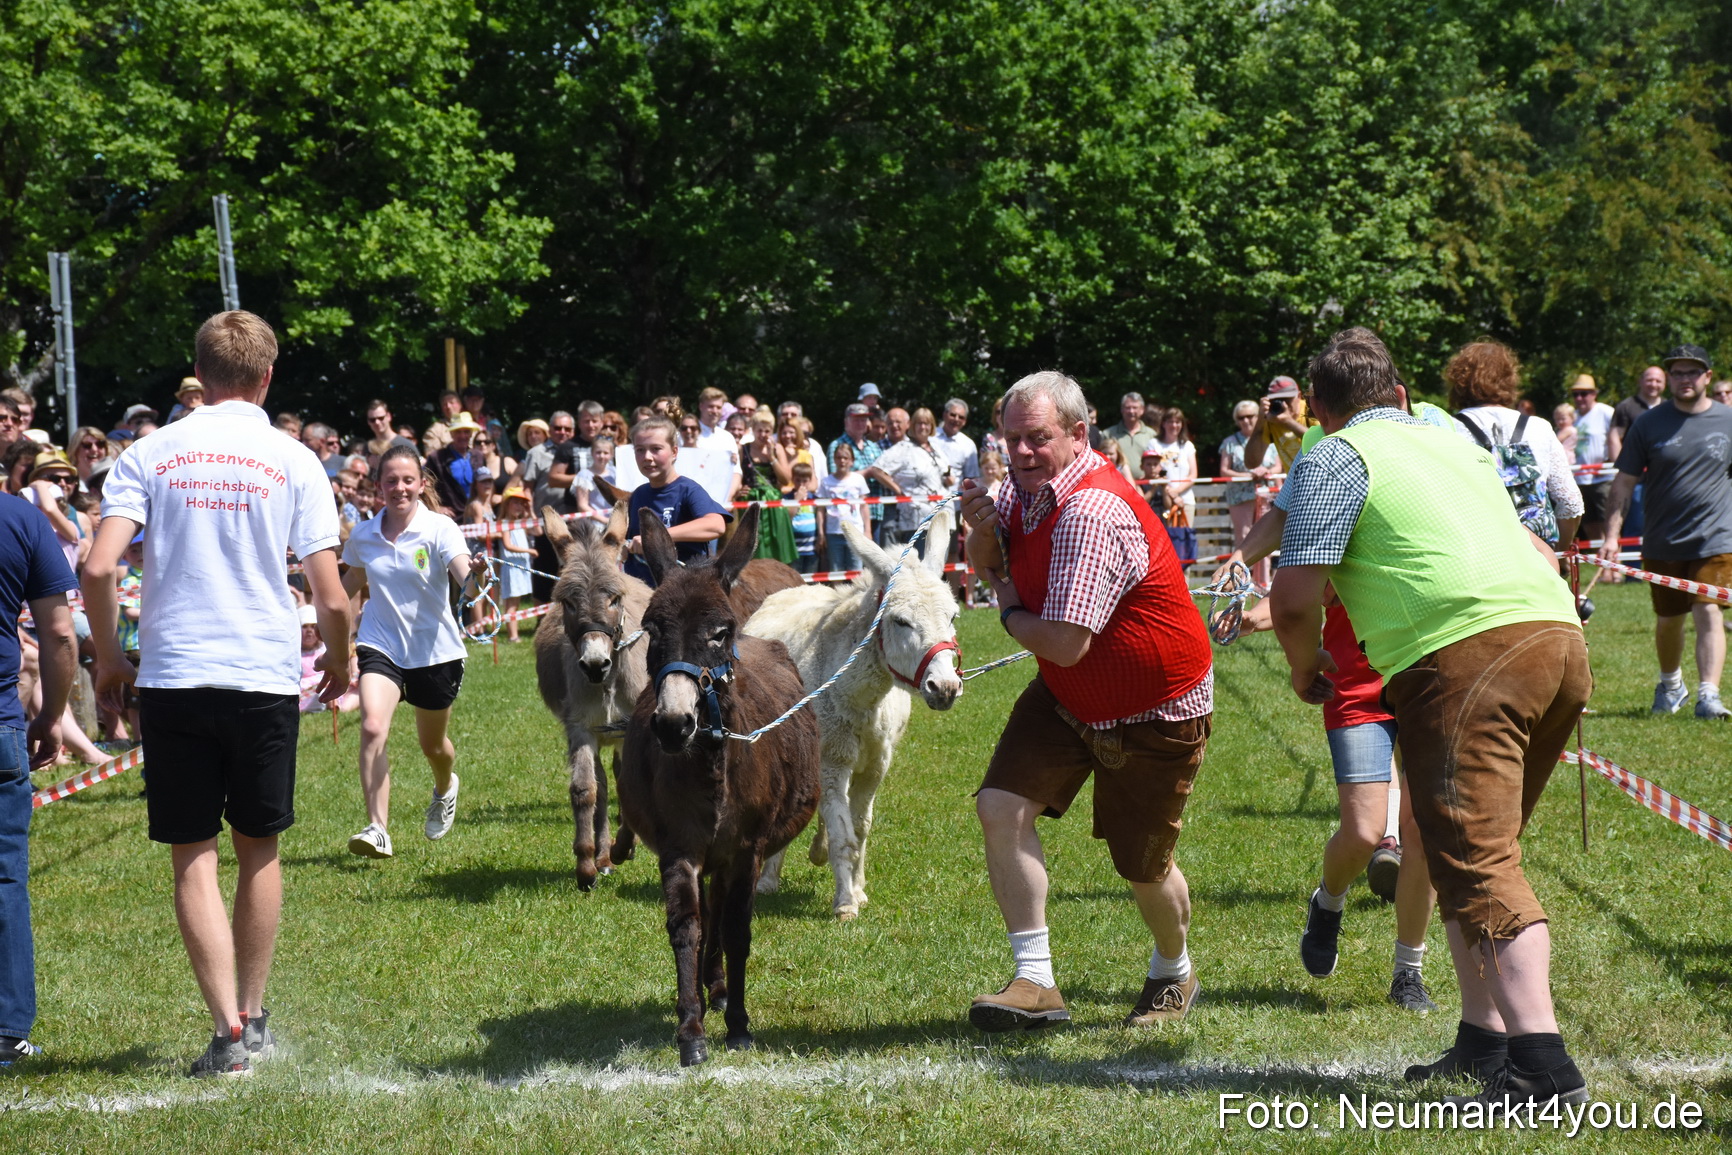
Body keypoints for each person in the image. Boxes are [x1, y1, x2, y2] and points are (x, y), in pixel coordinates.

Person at [1270, 326, 1590, 1106]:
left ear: (1322, 411)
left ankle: (1543, 1067)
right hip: (1558, 640)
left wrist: (1306, 666)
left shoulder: (1335, 456)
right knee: (1463, 849)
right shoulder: (1458, 445)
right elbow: (1543, 545)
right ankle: (1483, 1040)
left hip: (1464, 657)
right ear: (1404, 395)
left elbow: (1293, 596)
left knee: (1482, 862)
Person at [83, 309, 352, 1078]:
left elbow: (99, 570)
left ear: (197, 372)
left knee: (192, 854)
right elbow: (331, 597)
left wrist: (109, 660)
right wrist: (336, 659)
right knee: (258, 846)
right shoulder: (295, 459)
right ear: (267, 377)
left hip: (173, 671)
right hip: (263, 673)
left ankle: (226, 1031)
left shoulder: (151, 452)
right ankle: (256, 1014)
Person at [958, 370, 1214, 1033]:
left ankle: (1172, 967)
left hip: (1157, 709)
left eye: (1035, 438)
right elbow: (990, 557)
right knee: (1000, 805)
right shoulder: (1028, 489)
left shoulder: (1090, 509)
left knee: (1143, 866)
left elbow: (1065, 640)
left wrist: (1008, 609)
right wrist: (980, 526)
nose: (1019, 452)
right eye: (1010, 438)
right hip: (1071, 695)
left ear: (1077, 433)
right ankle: (1036, 981)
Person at [341, 445, 480, 858]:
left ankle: (444, 785)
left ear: (421, 483)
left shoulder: (440, 528)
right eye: (390, 481)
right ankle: (377, 828)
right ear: (378, 485)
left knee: (433, 746)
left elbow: (466, 582)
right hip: (380, 645)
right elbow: (346, 588)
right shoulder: (364, 534)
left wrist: (479, 576)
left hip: (435, 653)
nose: (399, 488)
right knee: (371, 727)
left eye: (407, 480)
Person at [1599, 344, 1732, 720]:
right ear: (1668, 378)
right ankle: (1671, 685)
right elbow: (1623, 484)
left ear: (1707, 376)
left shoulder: (1728, 420)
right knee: (1669, 620)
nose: (1684, 379)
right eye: (1678, 372)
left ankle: (1709, 695)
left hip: (1716, 538)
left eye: (1693, 372)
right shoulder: (1648, 424)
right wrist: (1611, 535)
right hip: (1663, 540)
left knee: (1709, 611)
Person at [0, 477, 79, 1066]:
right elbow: (57, 629)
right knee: (4, 878)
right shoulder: (23, 520)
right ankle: (5, 1031)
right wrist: (52, 715)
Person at [1445, 341, 1583, 545]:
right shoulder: (1539, 427)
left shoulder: (1447, 427)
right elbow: (1570, 503)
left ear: (1458, 381)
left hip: (1478, 552)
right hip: (1535, 554)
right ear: (1510, 379)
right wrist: (1558, 555)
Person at [622, 416, 730, 586]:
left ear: (674, 452)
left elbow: (716, 525)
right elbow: (629, 541)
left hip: (685, 591)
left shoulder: (688, 490)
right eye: (640, 450)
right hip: (642, 593)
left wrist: (657, 537)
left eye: (656, 449)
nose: (647, 457)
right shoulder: (637, 495)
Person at [1220, 400, 1280, 589]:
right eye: (1241, 417)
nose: (1246, 421)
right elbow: (1224, 470)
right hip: (1240, 497)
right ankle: (1242, 584)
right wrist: (1247, 475)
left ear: (1258, 417)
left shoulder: (1269, 438)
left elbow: (1279, 465)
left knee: (1266, 537)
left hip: (1265, 495)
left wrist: (1264, 470)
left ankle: (1262, 582)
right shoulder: (1229, 442)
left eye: (1250, 416)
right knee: (1244, 538)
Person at [867, 407, 946, 549]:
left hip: (937, 514)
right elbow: (877, 470)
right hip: (912, 518)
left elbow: (946, 473)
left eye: (926, 423)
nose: (923, 427)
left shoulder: (935, 447)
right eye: (919, 423)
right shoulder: (903, 447)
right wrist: (898, 490)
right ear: (912, 425)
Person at [1607, 366, 1666, 541]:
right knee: (1635, 525)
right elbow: (1614, 438)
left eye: (1658, 380)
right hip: (1635, 480)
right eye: (1649, 380)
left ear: (1665, 383)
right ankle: (1631, 568)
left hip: (1664, 479)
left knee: (1664, 525)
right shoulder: (1626, 407)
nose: (1653, 384)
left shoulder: (1670, 407)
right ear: (1640, 381)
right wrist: (1625, 469)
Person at [1141, 408, 1198, 566]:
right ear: (1163, 423)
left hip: (1184, 501)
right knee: (1160, 546)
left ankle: (1185, 587)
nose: (1174, 425)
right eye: (1170, 421)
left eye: (1178, 421)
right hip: (1160, 502)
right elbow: (1152, 471)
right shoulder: (1154, 443)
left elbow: (1193, 475)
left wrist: (1176, 492)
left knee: (1182, 544)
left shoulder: (1187, 446)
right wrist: (1170, 493)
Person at [1569, 374, 1615, 542]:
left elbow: (1620, 437)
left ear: (1594, 394)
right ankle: (1601, 565)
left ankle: (1613, 567)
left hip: (1602, 477)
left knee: (1608, 524)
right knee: (1589, 524)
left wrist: (1613, 458)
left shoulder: (1606, 412)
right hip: (1580, 479)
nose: (1579, 398)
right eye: (1576, 394)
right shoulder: (1572, 417)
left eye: (1584, 393)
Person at [817, 440, 871, 572]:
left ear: (851, 461)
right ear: (834, 460)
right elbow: (820, 509)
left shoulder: (858, 479)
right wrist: (821, 533)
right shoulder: (826, 482)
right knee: (836, 571)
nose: (842, 461)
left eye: (845, 458)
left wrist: (867, 530)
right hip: (833, 532)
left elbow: (864, 506)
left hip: (855, 531)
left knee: (856, 571)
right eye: (839, 457)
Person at [1244, 376, 1313, 471]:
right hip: (1296, 483)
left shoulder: (1311, 410)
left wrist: (1288, 422)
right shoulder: (1271, 419)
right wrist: (1260, 421)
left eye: (1286, 399)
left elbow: (1323, 445)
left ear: (1299, 396)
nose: (1283, 404)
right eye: (1277, 400)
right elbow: (1251, 463)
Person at [495, 487, 536, 639]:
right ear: (507, 504)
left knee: (516, 603)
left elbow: (537, 531)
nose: (519, 506)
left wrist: (530, 510)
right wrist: (528, 551)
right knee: (511, 603)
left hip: (521, 567)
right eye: (515, 503)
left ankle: (514, 633)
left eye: (521, 503)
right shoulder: (504, 523)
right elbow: (508, 545)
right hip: (511, 567)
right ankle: (513, 636)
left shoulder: (520, 523)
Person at [425, 412, 481, 515]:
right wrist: (436, 507)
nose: (462, 435)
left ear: (471, 434)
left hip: (477, 516)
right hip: (451, 517)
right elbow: (424, 485)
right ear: (451, 433)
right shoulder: (437, 458)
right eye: (458, 432)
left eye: (466, 432)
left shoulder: (478, 456)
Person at [1101, 392, 1155, 482]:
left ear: (1142, 410)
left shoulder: (1151, 434)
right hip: (1117, 483)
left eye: (1135, 408)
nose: (1131, 411)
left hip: (1145, 485)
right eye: (1127, 408)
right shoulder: (1108, 434)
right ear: (1122, 409)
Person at [788, 462, 820, 574]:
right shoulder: (787, 498)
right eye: (798, 480)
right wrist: (796, 500)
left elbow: (819, 519)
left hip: (811, 549)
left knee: (811, 582)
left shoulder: (814, 499)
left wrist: (820, 538)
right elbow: (787, 517)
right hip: (794, 550)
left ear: (810, 480)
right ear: (792, 479)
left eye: (805, 481)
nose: (801, 484)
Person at [421, 391, 464, 456]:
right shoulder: (434, 431)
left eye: (451, 403)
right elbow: (432, 457)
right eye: (445, 404)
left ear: (460, 404)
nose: (448, 406)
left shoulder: (474, 427)